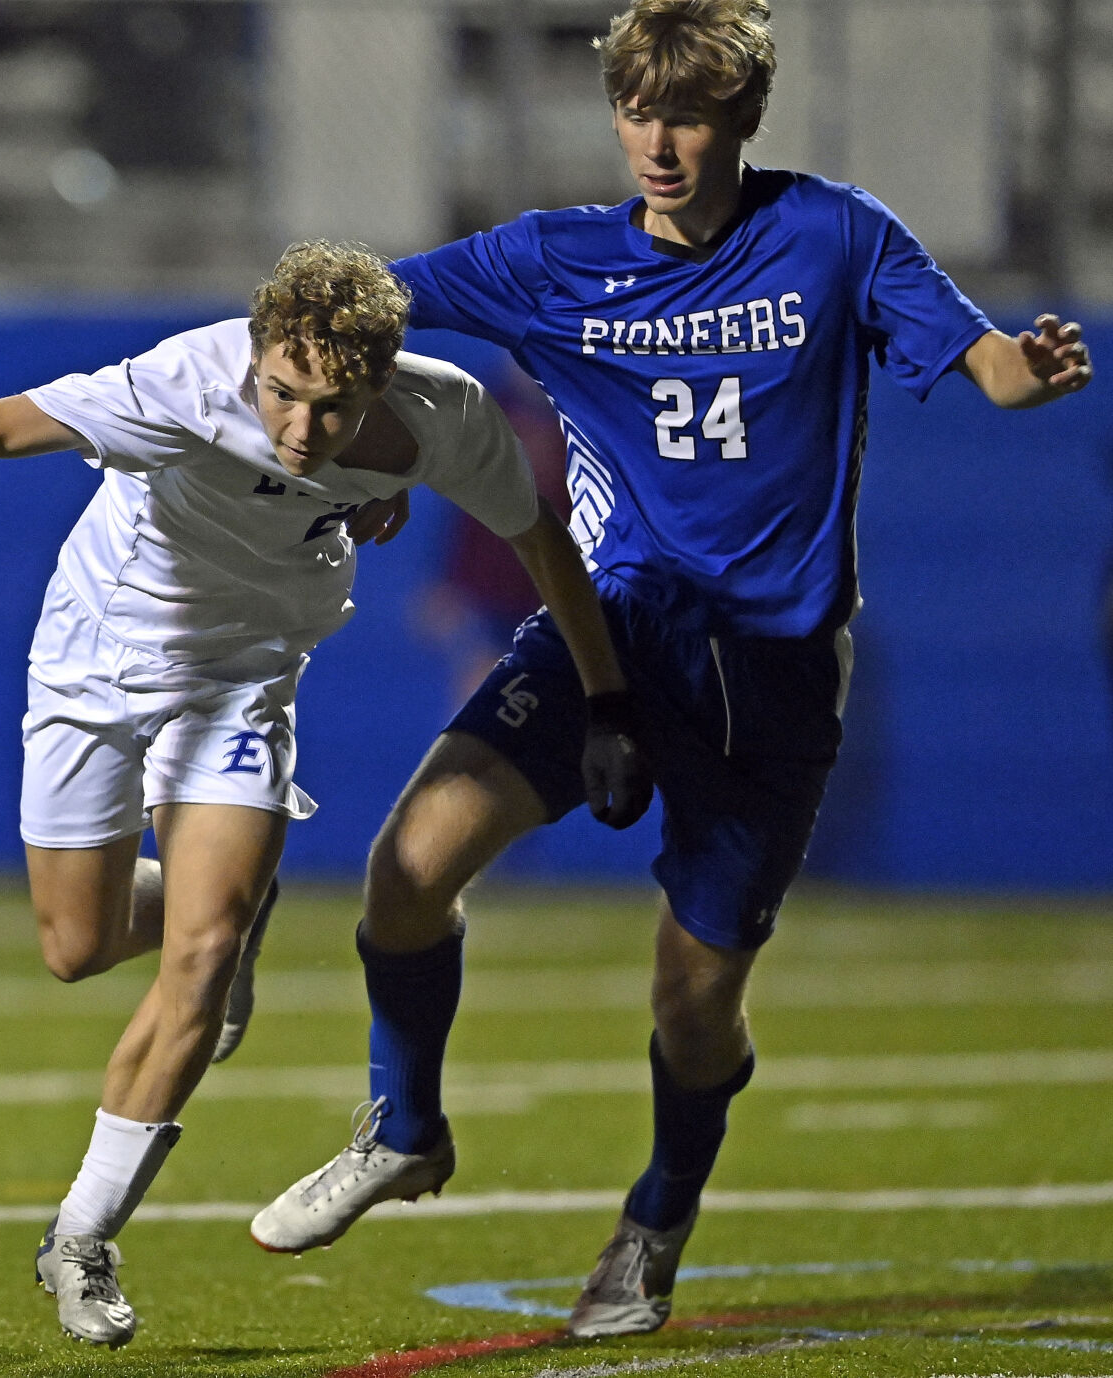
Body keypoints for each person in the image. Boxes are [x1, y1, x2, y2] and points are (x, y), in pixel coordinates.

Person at [249, 0, 1094, 1342]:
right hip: (615, 631)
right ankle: (403, 1125)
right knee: (407, 868)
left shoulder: (834, 236)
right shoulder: (551, 258)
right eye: (638, 108)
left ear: (744, 118)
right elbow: (362, 311)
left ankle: (655, 1217)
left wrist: (1025, 371)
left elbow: (984, 361)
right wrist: (354, 445)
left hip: (769, 676)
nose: (658, 139)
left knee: (695, 1005)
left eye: (688, 113)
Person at [0, 241, 650, 1349]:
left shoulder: (444, 417)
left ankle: (81, 1237)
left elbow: (542, 545)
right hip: (95, 655)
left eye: (336, 407)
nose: (301, 428)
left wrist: (608, 702)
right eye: (284, 394)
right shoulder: (181, 382)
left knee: (200, 955)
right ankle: (224, 910)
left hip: (244, 674)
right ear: (253, 359)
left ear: (385, 383)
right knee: (78, 943)